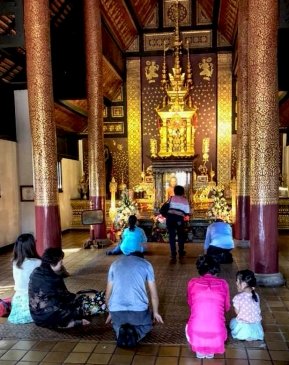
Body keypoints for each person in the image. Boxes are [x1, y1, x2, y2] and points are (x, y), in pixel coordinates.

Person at [105, 252, 164, 347]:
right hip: (138, 312)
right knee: (147, 325)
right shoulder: (146, 264)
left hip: (116, 310)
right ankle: (136, 335)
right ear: (142, 258)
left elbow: (107, 295)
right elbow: (154, 295)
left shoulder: (114, 264)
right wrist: (156, 313)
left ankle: (119, 332)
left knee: (116, 325)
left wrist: (110, 312)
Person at [29, 247, 90, 328]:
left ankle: (69, 323)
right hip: (49, 316)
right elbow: (67, 296)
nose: (62, 264)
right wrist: (83, 298)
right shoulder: (54, 278)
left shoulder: (35, 272)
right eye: (60, 262)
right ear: (52, 263)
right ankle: (71, 323)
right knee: (80, 306)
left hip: (36, 317)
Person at [186, 255, 230, 359]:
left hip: (196, 333)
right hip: (217, 334)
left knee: (190, 323)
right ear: (216, 269)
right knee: (220, 323)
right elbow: (226, 308)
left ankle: (199, 348)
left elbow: (190, 304)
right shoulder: (223, 284)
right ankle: (211, 349)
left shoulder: (192, 283)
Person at [8, 234, 41, 324]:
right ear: (31, 246)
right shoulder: (37, 262)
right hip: (32, 302)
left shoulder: (15, 263)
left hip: (17, 302)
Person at [230, 270, 264, 341]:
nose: (236, 283)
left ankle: (245, 334)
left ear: (244, 284)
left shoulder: (238, 297)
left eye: (238, 281)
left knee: (232, 322)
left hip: (243, 332)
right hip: (257, 331)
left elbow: (237, 313)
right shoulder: (256, 295)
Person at [166, 185, 190, 262]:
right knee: (180, 236)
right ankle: (181, 252)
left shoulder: (171, 198)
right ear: (183, 192)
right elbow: (187, 212)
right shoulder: (184, 200)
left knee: (171, 236)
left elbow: (167, 206)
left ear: (175, 191)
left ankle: (173, 254)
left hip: (170, 218)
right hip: (179, 219)